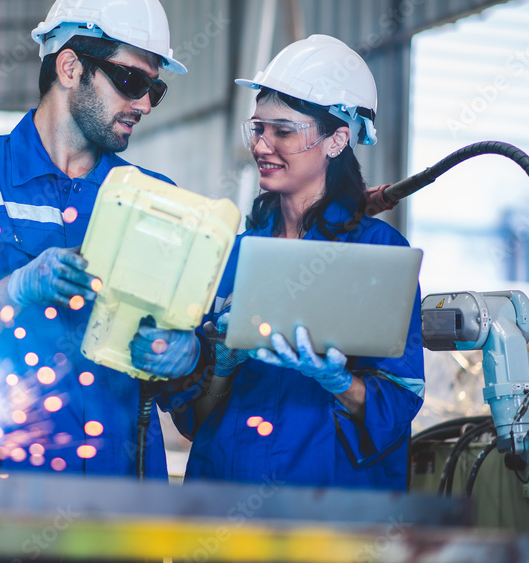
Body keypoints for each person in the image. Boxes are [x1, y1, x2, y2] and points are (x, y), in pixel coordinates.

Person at [0, 0, 198, 478]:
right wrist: (15, 293)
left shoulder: (155, 203)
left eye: (156, 89)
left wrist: (185, 359)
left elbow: (183, 389)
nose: (145, 104)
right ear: (69, 67)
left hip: (116, 514)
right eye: (132, 81)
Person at [133, 35, 423, 489]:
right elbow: (195, 421)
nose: (262, 145)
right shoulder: (231, 256)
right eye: (258, 128)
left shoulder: (379, 254)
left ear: (336, 140)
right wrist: (220, 366)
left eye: (283, 131)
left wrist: (336, 379)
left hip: (328, 514)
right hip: (223, 503)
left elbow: (400, 402)